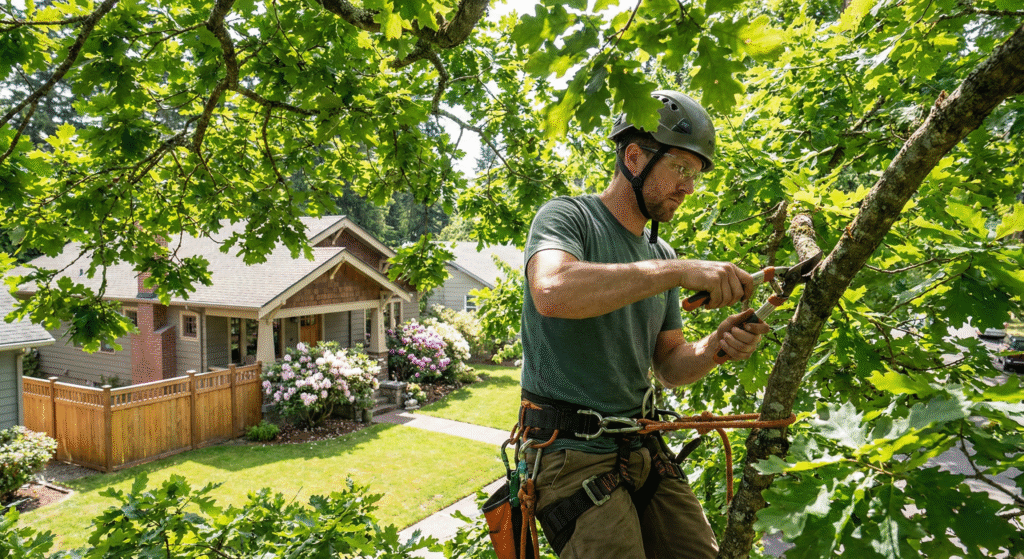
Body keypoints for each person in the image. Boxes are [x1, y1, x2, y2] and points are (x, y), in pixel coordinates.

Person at [519, 90, 770, 559]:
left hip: (640, 444)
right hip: (570, 451)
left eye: (696, 175)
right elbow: (552, 291)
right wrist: (679, 271)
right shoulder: (569, 218)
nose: (689, 187)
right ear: (634, 156)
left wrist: (717, 345)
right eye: (681, 169)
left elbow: (671, 367)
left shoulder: (660, 255)